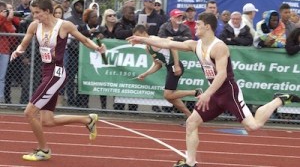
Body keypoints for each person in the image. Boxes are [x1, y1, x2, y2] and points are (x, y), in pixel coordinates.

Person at [127, 12, 300, 167]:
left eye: (199, 25)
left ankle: (280, 99)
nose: (195, 27)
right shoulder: (195, 45)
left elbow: (222, 74)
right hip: (214, 93)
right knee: (191, 123)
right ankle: (190, 163)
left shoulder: (219, 47)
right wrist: (142, 39)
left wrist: (207, 94)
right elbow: (166, 42)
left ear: (207, 27)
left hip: (228, 92)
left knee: (252, 126)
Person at [10, 0, 105, 161]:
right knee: (47, 120)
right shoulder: (34, 26)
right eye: (33, 13)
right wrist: (18, 50)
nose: (35, 16)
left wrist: (98, 48)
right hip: (46, 72)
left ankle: (44, 150)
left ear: (47, 11)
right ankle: (87, 119)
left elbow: (83, 39)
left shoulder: (64, 25)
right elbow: (24, 43)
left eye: (37, 13)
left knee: (29, 113)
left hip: (57, 73)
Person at [133, 25, 197, 116]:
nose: (137, 39)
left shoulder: (155, 39)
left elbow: (173, 46)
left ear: (144, 33)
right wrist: (145, 74)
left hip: (174, 66)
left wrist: (176, 65)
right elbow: (157, 65)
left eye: (138, 36)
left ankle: (195, 92)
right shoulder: (147, 48)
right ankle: (189, 115)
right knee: (170, 97)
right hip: (169, 67)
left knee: (168, 95)